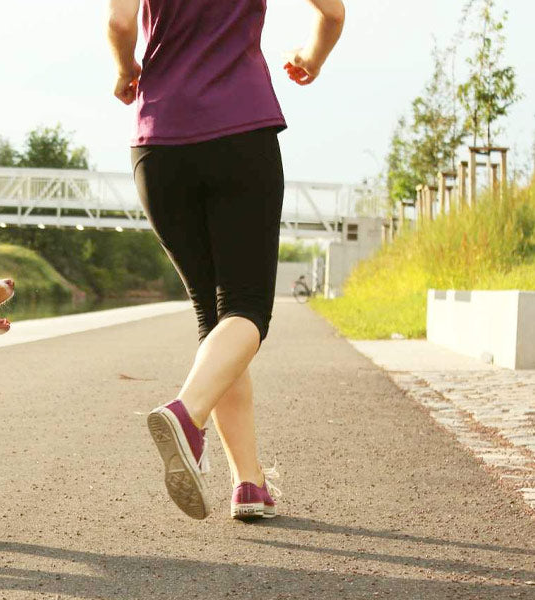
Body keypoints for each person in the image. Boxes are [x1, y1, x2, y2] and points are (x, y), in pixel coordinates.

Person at [106, 0, 345, 520]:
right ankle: (186, 415)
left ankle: (250, 483)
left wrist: (128, 71)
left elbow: (121, 22)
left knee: (215, 317)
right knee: (246, 308)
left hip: (159, 142)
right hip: (241, 130)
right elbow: (333, 12)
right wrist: (310, 58)